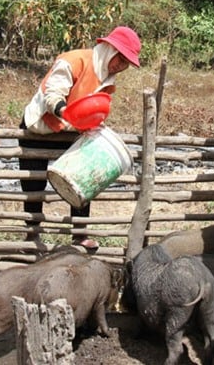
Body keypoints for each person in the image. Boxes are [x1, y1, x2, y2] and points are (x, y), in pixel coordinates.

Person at [19, 26, 141, 249]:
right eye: (119, 59)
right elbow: (53, 94)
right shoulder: (74, 61)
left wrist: (90, 122)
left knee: (84, 175)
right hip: (41, 128)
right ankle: (32, 234)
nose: (120, 66)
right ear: (108, 49)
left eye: (125, 63)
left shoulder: (108, 78)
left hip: (71, 130)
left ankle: (79, 234)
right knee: (34, 184)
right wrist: (67, 113)